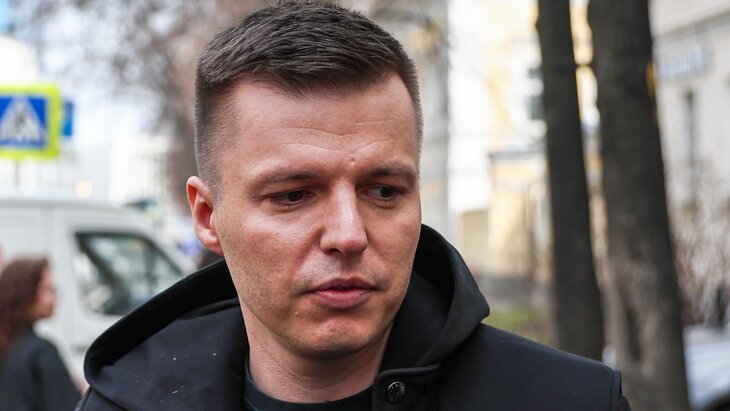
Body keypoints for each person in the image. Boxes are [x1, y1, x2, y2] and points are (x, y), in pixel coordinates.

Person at [77, 2, 631, 410]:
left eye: (384, 191)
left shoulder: (569, 401)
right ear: (207, 217)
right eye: (293, 195)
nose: (348, 234)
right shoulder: (123, 403)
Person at [0, 257, 81, 411]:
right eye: (48, 289)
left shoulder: (7, 345)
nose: (55, 297)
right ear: (25, 292)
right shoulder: (41, 351)